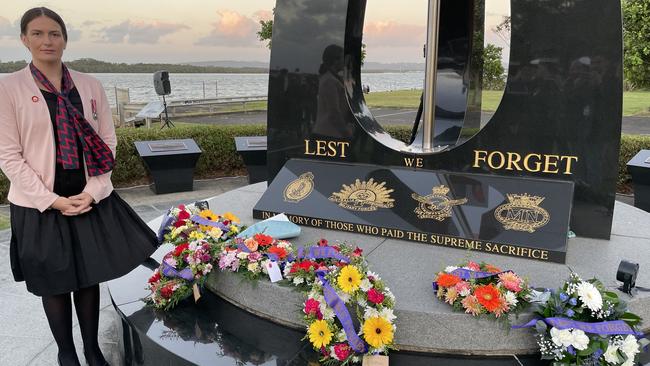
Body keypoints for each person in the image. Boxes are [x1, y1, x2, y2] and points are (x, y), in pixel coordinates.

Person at [0, 8, 158, 366]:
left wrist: (94, 190)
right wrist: (51, 200)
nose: (47, 41)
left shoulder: (89, 86)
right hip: (39, 202)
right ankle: (66, 354)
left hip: (87, 196)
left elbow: (108, 143)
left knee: (88, 276)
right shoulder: (8, 88)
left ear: (65, 39)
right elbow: (9, 156)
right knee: (55, 280)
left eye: (54, 33)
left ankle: (92, 349)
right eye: (37, 33)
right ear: (24, 39)